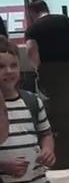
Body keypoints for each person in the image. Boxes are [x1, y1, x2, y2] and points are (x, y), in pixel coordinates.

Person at [25, 0, 69, 169]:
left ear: (32, 12)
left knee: (55, 113)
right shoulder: (64, 20)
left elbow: (31, 50)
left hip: (51, 71)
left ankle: (63, 159)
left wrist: (37, 69)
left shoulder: (34, 29)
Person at [0, 36, 55, 183]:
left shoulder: (32, 101)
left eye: (14, 65)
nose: (9, 71)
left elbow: (46, 133)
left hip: (37, 178)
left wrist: (48, 150)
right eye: (1, 67)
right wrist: (3, 166)